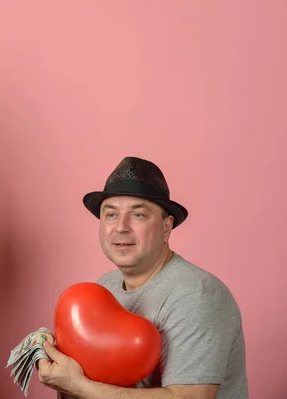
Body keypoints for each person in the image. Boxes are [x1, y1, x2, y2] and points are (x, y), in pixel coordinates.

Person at [37, 157, 248, 398]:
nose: (121, 227)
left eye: (138, 214)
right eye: (111, 215)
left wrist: (76, 385)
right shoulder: (104, 288)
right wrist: (58, 368)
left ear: (166, 227)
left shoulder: (196, 295)